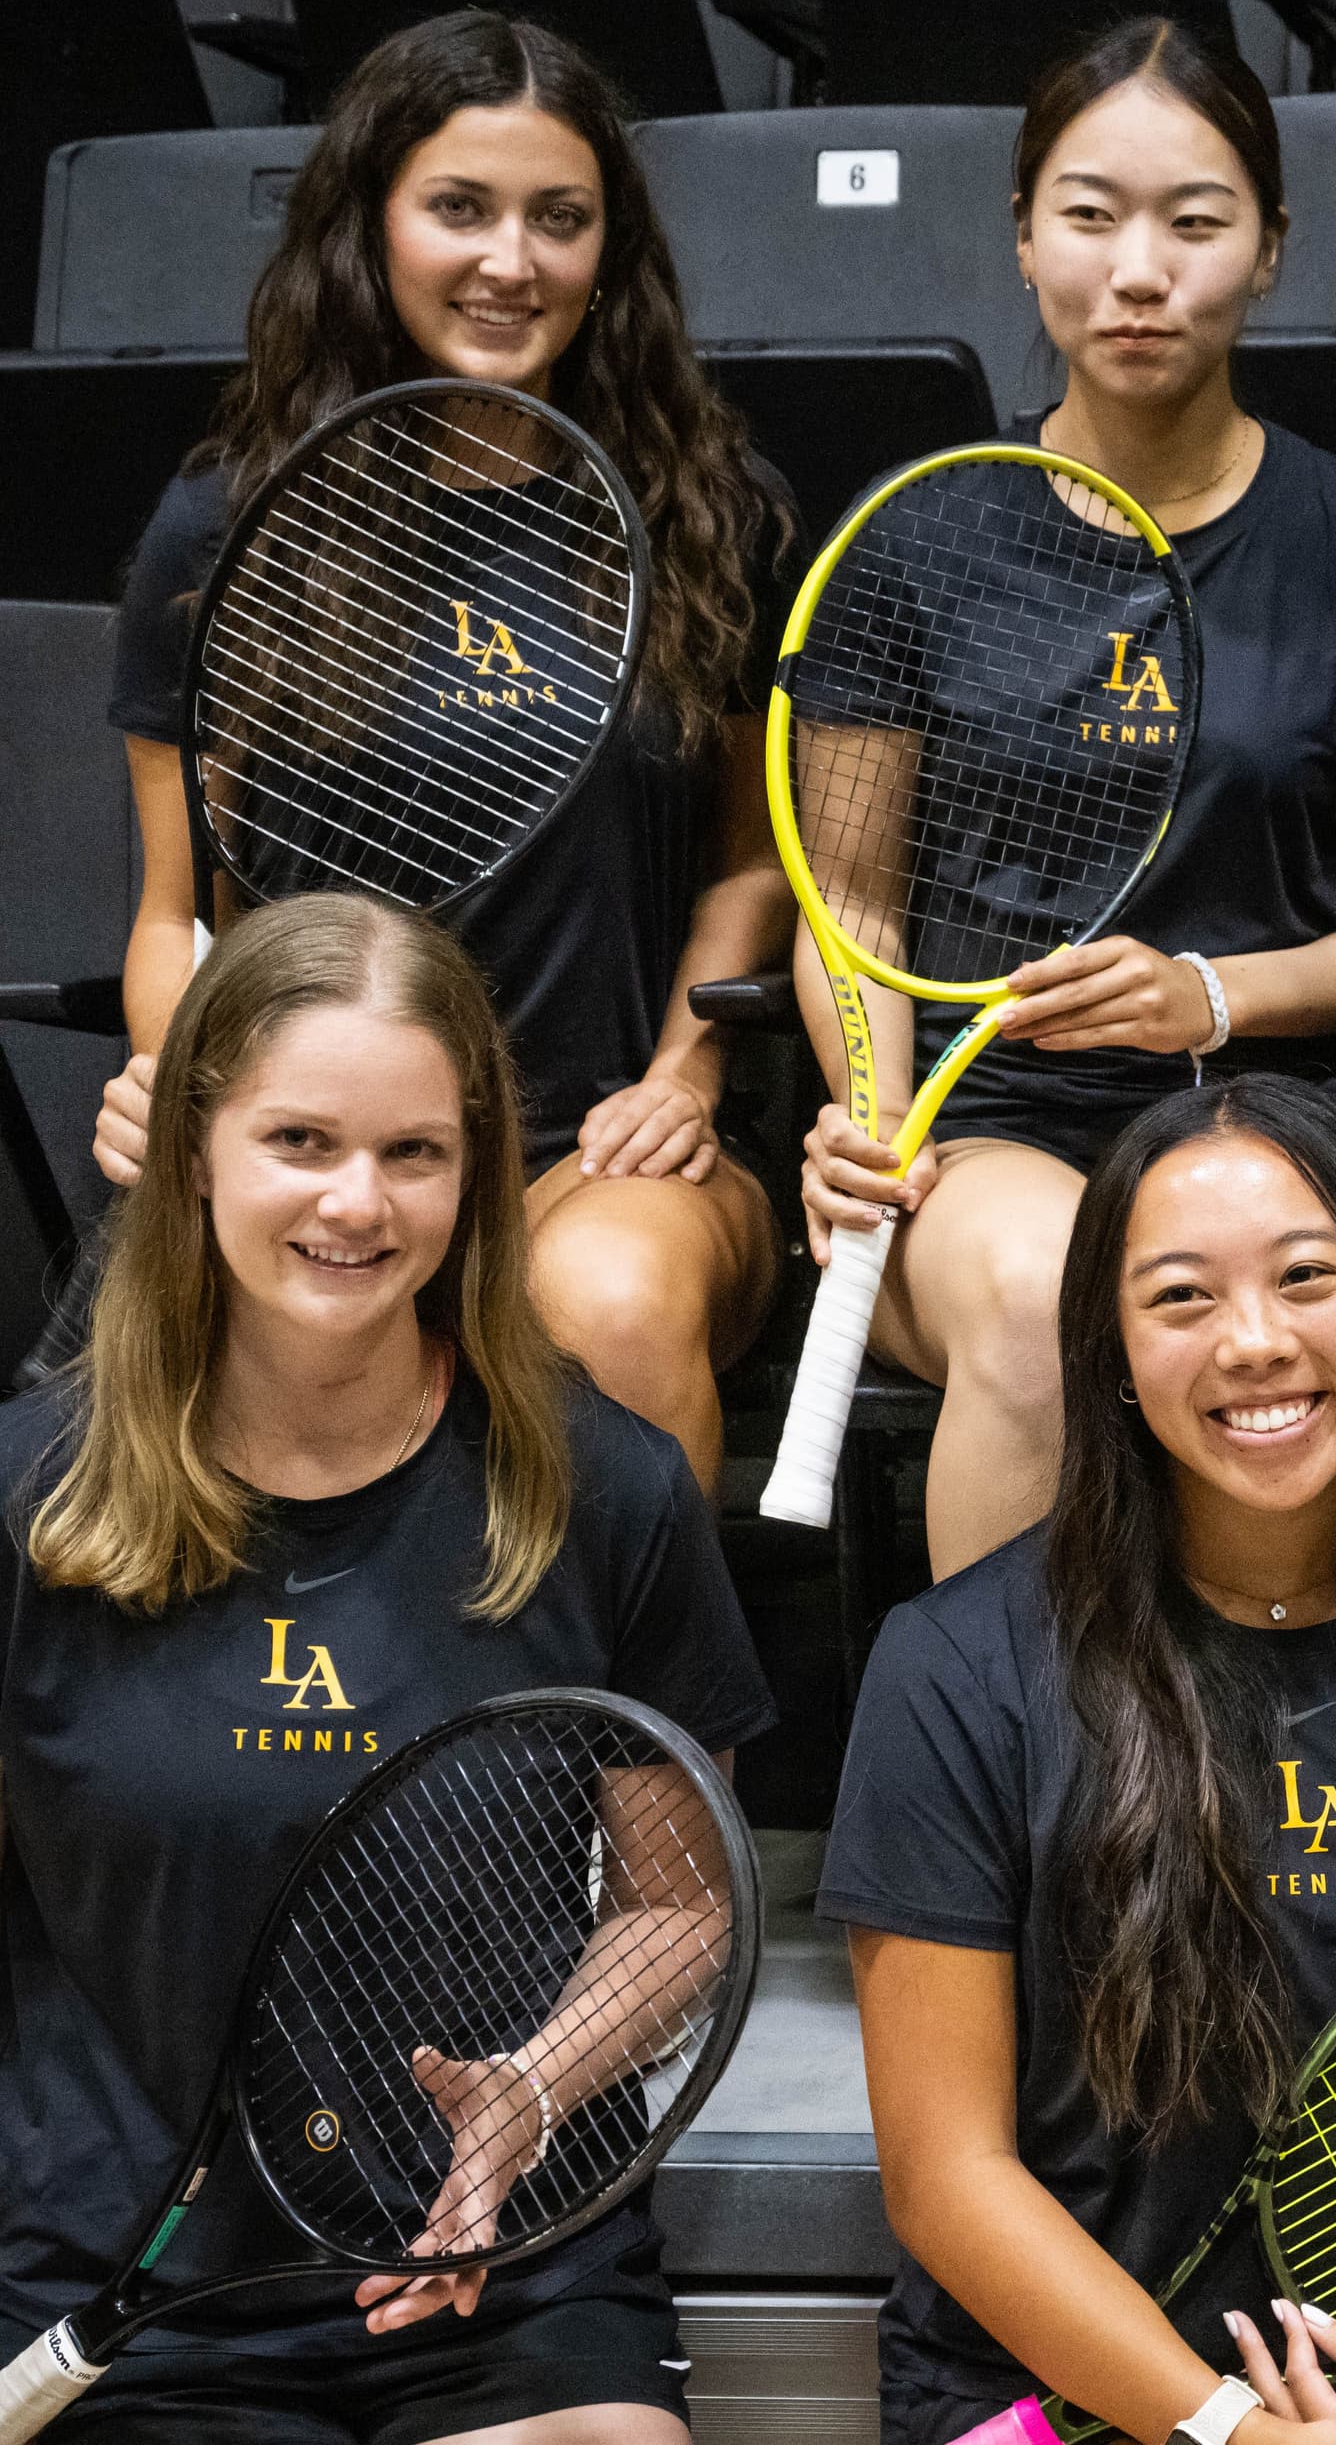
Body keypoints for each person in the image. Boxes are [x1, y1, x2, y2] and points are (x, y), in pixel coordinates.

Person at [0, 893, 776, 2443]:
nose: (358, 1203)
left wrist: (536, 2087)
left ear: (474, 1170)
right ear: (196, 1143)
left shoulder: (604, 1488)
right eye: (301, 1141)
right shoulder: (28, 1500)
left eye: (414, 1153)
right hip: (122, 2292)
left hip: (498, 2282)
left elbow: (678, 1904)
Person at [821, 1073, 1336, 2445]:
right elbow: (948, 2180)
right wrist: (1230, 2434)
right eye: (1182, 1298)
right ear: (1114, 1358)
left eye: (1309, 1277)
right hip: (1068, 2401)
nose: (1255, 1342)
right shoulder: (955, 1666)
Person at [94, 8, 792, 1495]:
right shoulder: (225, 526)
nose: (510, 262)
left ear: (610, 251)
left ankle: (633, 1730)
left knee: (604, 1300)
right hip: (330, 1149)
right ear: (373, 226)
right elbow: (177, 912)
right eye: (459, 209)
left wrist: (687, 1069)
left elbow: (752, 857)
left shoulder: (708, 515)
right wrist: (177, 1074)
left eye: (560, 218)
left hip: (600, 1148)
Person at [798, 17, 1336, 1578]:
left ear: (1271, 250)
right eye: (1089, 216)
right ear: (1024, 241)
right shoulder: (912, 543)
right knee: (1045, 1295)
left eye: (1196, 221)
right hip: (992, 1121)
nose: (1138, 270)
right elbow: (854, 899)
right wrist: (872, 1121)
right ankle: (1015, 1790)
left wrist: (1206, 998)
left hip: (1286, 1109)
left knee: (1255, 1306)